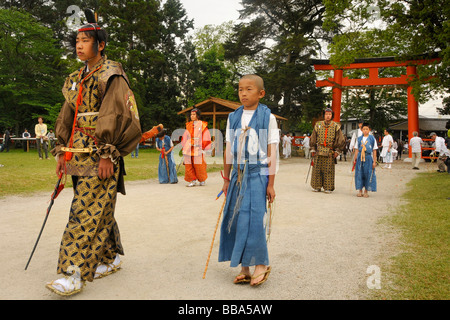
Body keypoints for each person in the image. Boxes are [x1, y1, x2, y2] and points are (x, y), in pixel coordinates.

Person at [46, 10, 142, 296]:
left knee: (84, 212)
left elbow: (117, 113)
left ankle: (72, 273)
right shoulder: (75, 77)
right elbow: (67, 115)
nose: (79, 45)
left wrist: (107, 154)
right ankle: (109, 257)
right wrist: (61, 149)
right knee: (97, 207)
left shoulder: (112, 74)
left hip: (100, 154)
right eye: (77, 40)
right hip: (76, 153)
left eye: (86, 40)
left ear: (100, 45)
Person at [219, 74, 278, 286]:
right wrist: (226, 178)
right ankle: (244, 266)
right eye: (240, 89)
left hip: (258, 173)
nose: (243, 93)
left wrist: (270, 184)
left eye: (249, 89)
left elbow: (272, 151)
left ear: (261, 93)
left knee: (254, 218)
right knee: (235, 218)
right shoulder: (233, 117)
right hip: (237, 175)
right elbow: (228, 149)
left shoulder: (266, 117)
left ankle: (260, 263)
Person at [309, 108, 346, 193]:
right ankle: (317, 186)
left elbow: (341, 139)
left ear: (332, 115)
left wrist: (337, 151)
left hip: (330, 151)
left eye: (329, 114)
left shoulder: (336, 126)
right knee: (317, 169)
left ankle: (328, 187)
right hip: (319, 150)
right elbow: (313, 137)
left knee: (328, 170)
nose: (328, 116)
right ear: (324, 115)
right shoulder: (318, 125)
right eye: (326, 114)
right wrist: (313, 149)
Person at [181, 108, 211, 187]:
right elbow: (185, 135)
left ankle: (202, 179)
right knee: (188, 164)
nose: (192, 116)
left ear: (197, 115)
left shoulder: (202, 125)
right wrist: (184, 145)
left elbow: (206, 135)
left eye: (194, 114)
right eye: (191, 114)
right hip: (189, 146)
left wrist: (203, 146)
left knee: (199, 164)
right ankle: (192, 180)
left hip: (198, 146)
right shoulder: (189, 125)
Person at [353, 123, 377, 198]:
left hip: (368, 158)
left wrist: (374, 161)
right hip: (360, 158)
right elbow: (357, 149)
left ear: (369, 130)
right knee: (360, 173)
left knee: (368, 173)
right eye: (364, 129)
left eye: (367, 129)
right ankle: (360, 190)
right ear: (361, 130)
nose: (365, 131)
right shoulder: (359, 138)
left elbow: (374, 150)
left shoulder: (372, 138)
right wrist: (355, 158)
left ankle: (366, 191)